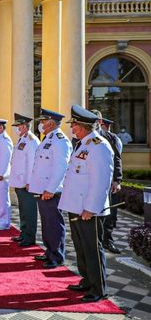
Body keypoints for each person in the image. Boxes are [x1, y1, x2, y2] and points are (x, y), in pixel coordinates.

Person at [59, 105, 114, 303]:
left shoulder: (99, 145)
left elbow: (101, 181)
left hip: (89, 209)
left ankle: (98, 288)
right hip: (76, 206)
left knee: (92, 249)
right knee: (81, 247)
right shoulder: (83, 144)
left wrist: (91, 207)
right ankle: (86, 280)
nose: (72, 128)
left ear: (82, 126)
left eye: (74, 125)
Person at [28, 108, 72, 269]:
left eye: (42, 121)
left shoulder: (60, 140)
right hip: (43, 189)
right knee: (46, 223)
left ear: (51, 123)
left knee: (54, 223)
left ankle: (57, 256)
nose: (40, 124)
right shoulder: (48, 138)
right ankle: (49, 251)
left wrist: (50, 189)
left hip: (51, 191)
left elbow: (60, 168)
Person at [91, 112, 123, 254]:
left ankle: (107, 241)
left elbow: (117, 160)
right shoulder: (83, 138)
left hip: (109, 183)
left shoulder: (110, 138)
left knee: (109, 214)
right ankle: (94, 241)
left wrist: (117, 180)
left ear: (99, 121)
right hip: (91, 182)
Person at [8, 113, 40, 246]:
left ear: (25, 126)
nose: (16, 129)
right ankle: (23, 233)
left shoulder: (32, 141)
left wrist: (29, 181)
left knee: (29, 211)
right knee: (23, 210)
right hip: (19, 182)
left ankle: (29, 237)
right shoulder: (22, 139)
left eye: (18, 126)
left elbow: (32, 163)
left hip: (26, 184)